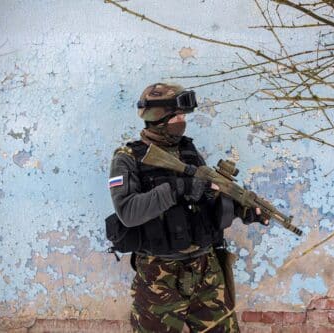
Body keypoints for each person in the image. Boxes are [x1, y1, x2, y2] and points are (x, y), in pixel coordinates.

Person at [108, 83, 268, 333]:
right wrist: (177, 189)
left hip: (206, 267)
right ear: (160, 118)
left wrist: (242, 210)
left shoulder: (188, 151)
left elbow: (210, 198)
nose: (183, 122)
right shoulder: (128, 158)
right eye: (178, 117)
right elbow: (128, 212)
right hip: (160, 274)